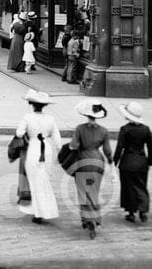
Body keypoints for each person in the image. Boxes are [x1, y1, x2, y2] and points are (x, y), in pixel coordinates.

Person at [15, 89, 62, 224]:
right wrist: (59, 154)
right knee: (44, 179)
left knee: (34, 180)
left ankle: (37, 211)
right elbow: (57, 140)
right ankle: (46, 209)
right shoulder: (50, 119)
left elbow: (19, 133)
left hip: (33, 148)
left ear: (31, 103)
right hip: (46, 149)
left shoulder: (27, 117)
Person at [69, 100, 113, 239]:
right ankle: (95, 217)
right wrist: (110, 161)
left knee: (83, 191)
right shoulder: (104, 131)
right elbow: (107, 150)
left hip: (83, 161)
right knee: (94, 190)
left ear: (86, 115)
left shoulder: (80, 129)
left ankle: (86, 218)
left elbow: (74, 146)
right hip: (98, 162)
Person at [114, 101, 152, 223]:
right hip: (142, 162)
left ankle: (131, 212)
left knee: (128, 188)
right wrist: (150, 162)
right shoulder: (146, 129)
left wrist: (114, 162)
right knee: (141, 186)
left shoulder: (125, 129)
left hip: (127, 161)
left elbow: (119, 147)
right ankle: (143, 210)